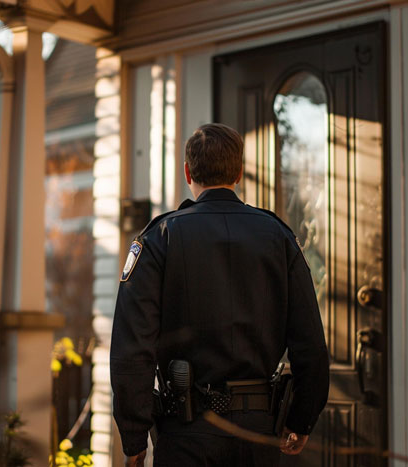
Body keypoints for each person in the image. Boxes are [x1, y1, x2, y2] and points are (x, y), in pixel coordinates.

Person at [110, 123, 330, 467]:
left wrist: (134, 436)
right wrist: (302, 419)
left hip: (187, 433)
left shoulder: (159, 239)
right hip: (258, 433)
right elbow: (310, 342)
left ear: (187, 172)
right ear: (239, 173)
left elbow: (132, 347)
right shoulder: (278, 236)